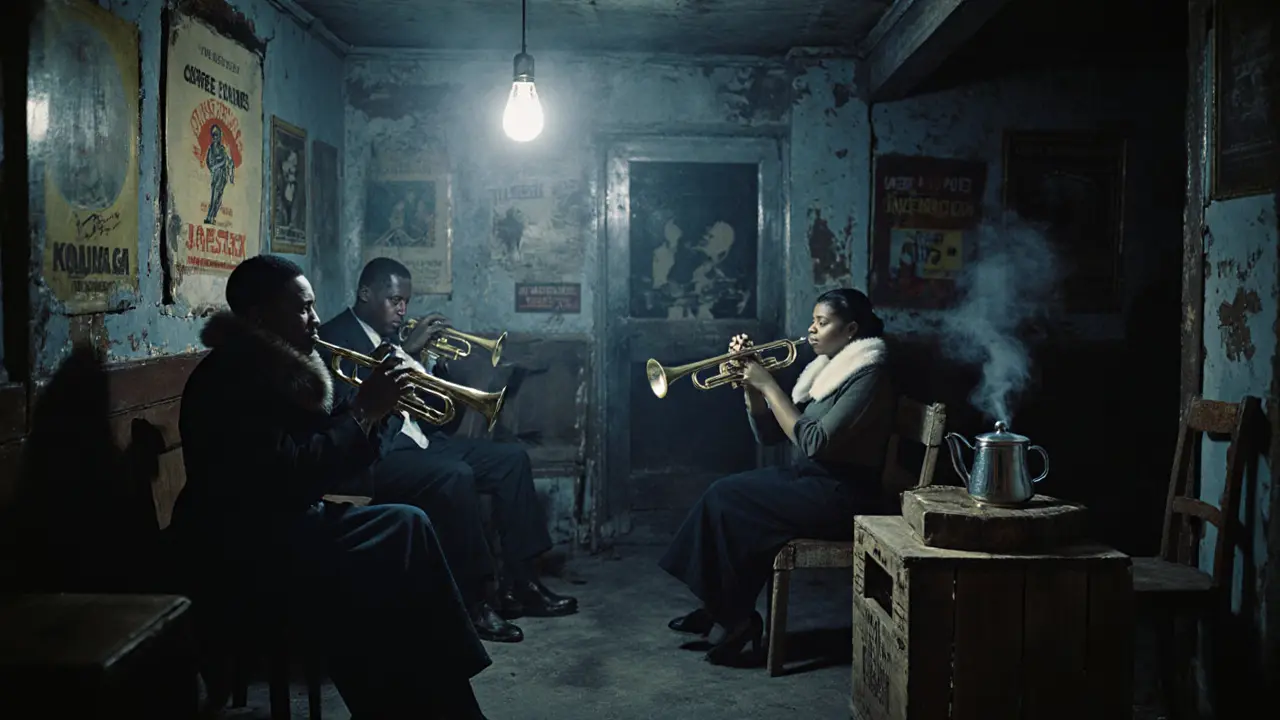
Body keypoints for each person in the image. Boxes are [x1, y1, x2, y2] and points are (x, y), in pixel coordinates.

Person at [169, 255, 492, 719]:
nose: (316, 320)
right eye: (302, 308)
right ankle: (445, 694)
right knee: (397, 542)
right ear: (260, 317)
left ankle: (443, 694)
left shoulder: (271, 371)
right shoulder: (232, 380)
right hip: (243, 546)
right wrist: (363, 411)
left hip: (282, 526)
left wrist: (380, 408)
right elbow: (292, 472)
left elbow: (328, 457)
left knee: (405, 534)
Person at [319, 257, 578, 644]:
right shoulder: (333, 338)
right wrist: (406, 352)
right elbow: (352, 410)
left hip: (422, 440)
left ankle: (522, 584)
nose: (403, 310)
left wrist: (428, 363)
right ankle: (475, 603)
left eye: (406, 301)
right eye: (394, 300)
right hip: (378, 456)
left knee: (511, 459)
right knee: (456, 476)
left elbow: (437, 411)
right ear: (365, 294)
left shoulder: (390, 335)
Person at [658, 288, 895, 665]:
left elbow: (813, 441)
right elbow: (771, 434)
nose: (811, 330)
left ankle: (729, 613)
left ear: (850, 329)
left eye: (822, 322)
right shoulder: (829, 369)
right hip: (814, 480)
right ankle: (726, 609)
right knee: (724, 493)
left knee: (730, 498)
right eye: (812, 321)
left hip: (844, 494)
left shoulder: (869, 374)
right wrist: (751, 388)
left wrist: (768, 383)